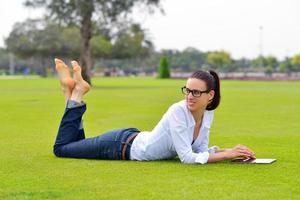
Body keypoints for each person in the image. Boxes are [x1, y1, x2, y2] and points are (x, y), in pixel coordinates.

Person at [53, 58, 256, 164]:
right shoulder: (178, 111)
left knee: (74, 144)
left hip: (130, 139)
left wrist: (229, 151)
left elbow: (200, 151)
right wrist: (225, 156)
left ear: (210, 96)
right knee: (62, 149)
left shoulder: (207, 114)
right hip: (118, 146)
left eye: (196, 92)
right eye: (187, 90)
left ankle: (71, 93)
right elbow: (187, 157)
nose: (190, 96)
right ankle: (74, 93)